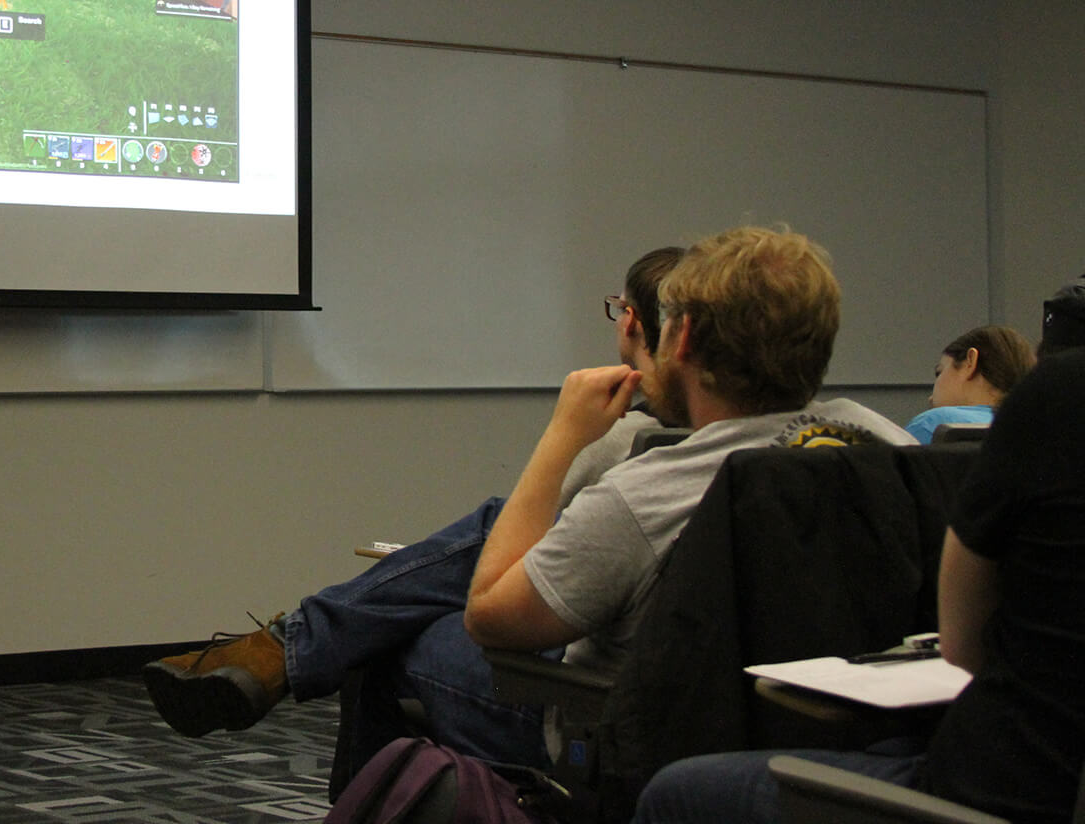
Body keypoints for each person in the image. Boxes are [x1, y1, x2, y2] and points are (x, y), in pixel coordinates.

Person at [144, 229, 913, 772]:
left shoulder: (649, 489)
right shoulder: (898, 451)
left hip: (625, 724)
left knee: (391, 648)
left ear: (678, 344)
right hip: (845, 724)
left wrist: (559, 440)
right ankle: (290, 651)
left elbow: (493, 619)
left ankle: (306, 677)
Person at [631, 346, 1085, 824]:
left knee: (674, 794)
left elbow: (961, 645)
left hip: (999, 796)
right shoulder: (894, 442)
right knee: (890, 743)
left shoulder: (1058, 397)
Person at [902, 325, 1035, 443]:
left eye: (939, 372)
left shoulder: (934, 424)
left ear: (970, 362)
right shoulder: (1037, 430)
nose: (930, 397)